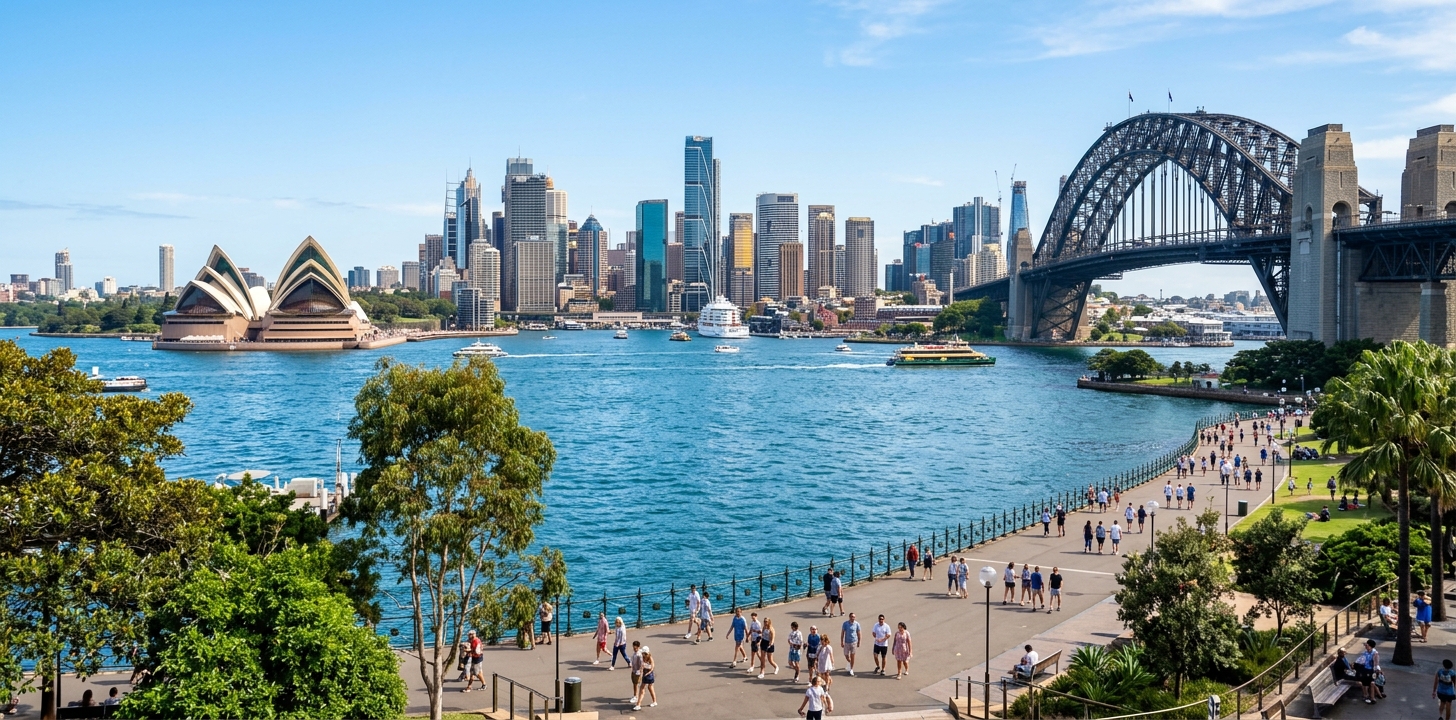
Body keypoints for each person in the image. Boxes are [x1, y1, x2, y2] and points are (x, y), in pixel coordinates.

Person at [1356, 639, 1381, 704]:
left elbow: (1376, 663)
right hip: (1365, 670)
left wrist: (1377, 670)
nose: (1365, 646)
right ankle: (1366, 695)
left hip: (1372, 670)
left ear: (1370, 646)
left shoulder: (1375, 653)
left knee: (1372, 683)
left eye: (1367, 645)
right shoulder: (1365, 653)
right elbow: (1360, 660)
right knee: (1364, 684)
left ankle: (1372, 697)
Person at [634, 646, 657, 710]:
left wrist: (646, 671)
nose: (642, 654)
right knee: (650, 688)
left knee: (642, 690)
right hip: (647, 675)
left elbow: (652, 667)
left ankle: (638, 704)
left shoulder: (650, 658)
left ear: (645, 653)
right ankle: (654, 701)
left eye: (643, 653)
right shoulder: (643, 657)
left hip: (648, 676)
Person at [629, 641, 644, 705]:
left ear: (638, 647)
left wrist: (640, 671)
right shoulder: (635, 653)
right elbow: (632, 659)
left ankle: (636, 696)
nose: (634, 649)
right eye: (634, 648)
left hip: (637, 671)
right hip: (634, 670)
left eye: (636, 648)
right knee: (634, 683)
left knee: (636, 684)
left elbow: (641, 664)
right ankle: (635, 695)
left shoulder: (639, 655)